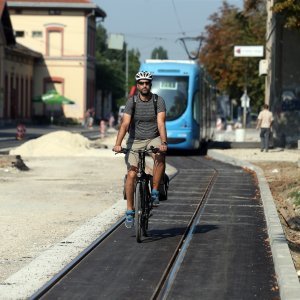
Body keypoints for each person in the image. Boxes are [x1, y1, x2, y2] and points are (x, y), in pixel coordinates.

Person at [113, 71, 168, 228]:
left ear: (150, 85)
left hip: (153, 137)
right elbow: (124, 124)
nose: (144, 85)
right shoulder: (132, 102)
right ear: (137, 85)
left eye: (147, 83)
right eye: (141, 83)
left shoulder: (158, 101)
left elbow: (161, 123)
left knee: (160, 156)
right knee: (132, 173)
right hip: (135, 141)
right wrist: (118, 143)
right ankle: (130, 210)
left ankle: (156, 190)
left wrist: (163, 142)